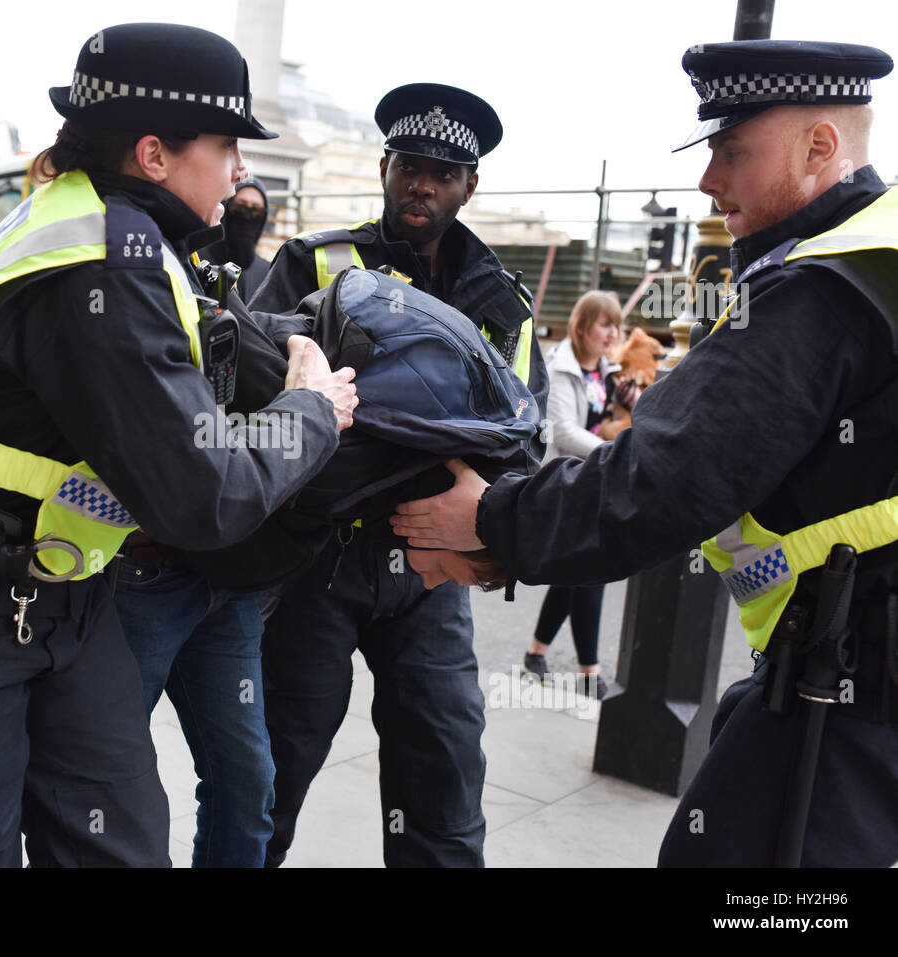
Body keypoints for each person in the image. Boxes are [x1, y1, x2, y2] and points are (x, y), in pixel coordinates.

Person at [0, 22, 357, 868]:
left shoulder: (109, 229)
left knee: (120, 845)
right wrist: (313, 409)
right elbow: (202, 493)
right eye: (227, 145)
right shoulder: (100, 260)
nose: (240, 171)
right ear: (155, 154)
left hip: (62, 600)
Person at [392, 40, 898, 868]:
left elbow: (665, 475)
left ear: (819, 149)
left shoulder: (822, 289)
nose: (709, 183)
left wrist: (486, 518)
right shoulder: (879, 258)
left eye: (732, 152)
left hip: (844, 694)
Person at [248, 82, 546, 868]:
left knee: (443, 773)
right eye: (410, 165)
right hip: (316, 559)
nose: (422, 184)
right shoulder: (313, 260)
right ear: (384, 168)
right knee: (270, 771)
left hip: (432, 571)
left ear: (469, 186)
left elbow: (525, 438)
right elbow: (250, 390)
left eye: (443, 173)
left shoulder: (502, 302)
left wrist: (490, 535)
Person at [524, 291, 638, 700]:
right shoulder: (561, 368)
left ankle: (536, 653)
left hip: (593, 482)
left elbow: (621, 418)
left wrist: (633, 403)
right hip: (565, 483)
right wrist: (616, 453)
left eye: (616, 326)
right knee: (594, 570)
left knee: (575, 573)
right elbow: (563, 432)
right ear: (582, 326)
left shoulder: (607, 372)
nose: (612, 334)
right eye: (604, 324)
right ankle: (590, 674)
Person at [199, 177, 271, 301]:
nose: (247, 216)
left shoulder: (268, 274)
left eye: (256, 211)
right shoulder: (197, 261)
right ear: (226, 209)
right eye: (240, 208)